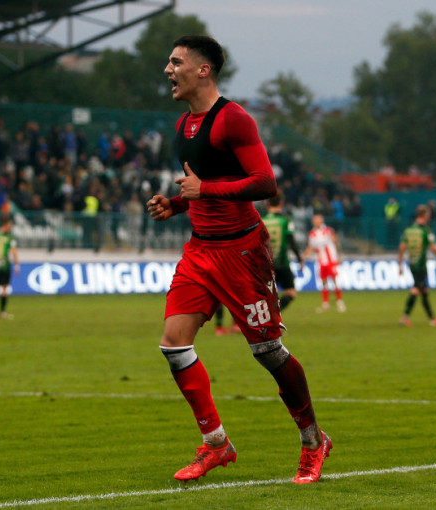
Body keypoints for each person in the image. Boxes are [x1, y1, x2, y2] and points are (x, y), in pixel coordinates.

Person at [147, 35, 330, 484]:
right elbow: (206, 186)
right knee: (174, 344)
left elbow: (265, 183)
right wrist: (177, 204)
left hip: (242, 252)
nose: (168, 70)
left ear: (203, 70)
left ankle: (313, 441)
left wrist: (202, 191)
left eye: (176, 62)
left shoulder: (234, 119)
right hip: (200, 250)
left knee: (267, 352)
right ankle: (216, 444)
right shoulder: (184, 125)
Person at [398, 205, 436, 326]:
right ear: (425, 215)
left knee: (424, 290)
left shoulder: (408, 230)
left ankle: (432, 319)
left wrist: (400, 265)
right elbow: (433, 248)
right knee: (416, 289)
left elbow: (402, 248)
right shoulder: (426, 230)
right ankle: (405, 318)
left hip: (411, 263)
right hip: (420, 264)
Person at [262, 190, 303, 311]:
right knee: (291, 293)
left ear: (267, 204)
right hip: (282, 263)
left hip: (265, 265)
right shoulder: (286, 220)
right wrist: (300, 259)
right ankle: (273, 313)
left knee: (263, 296)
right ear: (282, 203)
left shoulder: (261, 221)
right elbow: (291, 241)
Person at [302, 214, 346, 313]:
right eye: (314, 220)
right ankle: (325, 304)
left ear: (321, 221)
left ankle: (340, 302)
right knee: (323, 282)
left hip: (331, 260)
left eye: (317, 220)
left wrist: (339, 256)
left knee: (335, 281)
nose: (316, 222)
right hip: (321, 261)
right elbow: (311, 247)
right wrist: (303, 256)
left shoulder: (328, 231)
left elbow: (336, 242)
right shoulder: (312, 233)